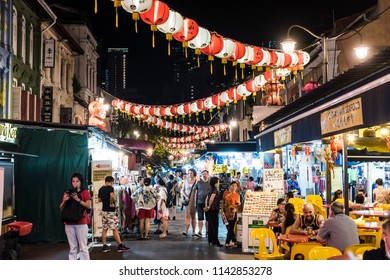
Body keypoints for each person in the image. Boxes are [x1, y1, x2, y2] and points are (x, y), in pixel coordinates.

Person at [60, 172, 91, 260]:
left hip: (81, 222)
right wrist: (65, 200)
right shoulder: (67, 192)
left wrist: (78, 200)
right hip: (68, 222)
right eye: (73, 181)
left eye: (77, 181)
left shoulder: (85, 192)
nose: (75, 183)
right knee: (72, 248)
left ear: (81, 182)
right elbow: (61, 207)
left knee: (83, 247)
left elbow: (88, 206)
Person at [98, 176, 131, 253]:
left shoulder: (101, 189)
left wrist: (105, 200)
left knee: (105, 228)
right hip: (110, 211)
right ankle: (120, 245)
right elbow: (112, 197)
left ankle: (104, 246)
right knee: (115, 229)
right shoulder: (110, 188)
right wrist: (111, 202)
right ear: (111, 181)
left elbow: (99, 199)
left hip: (104, 211)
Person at [204, 176, 222, 247]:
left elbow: (207, 198)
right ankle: (215, 241)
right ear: (215, 183)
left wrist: (206, 206)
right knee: (215, 225)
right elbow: (211, 199)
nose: (219, 183)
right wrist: (209, 206)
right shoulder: (215, 190)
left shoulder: (210, 189)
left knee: (211, 225)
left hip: (210, 210)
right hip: (213, 209)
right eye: (218, 182)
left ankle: (210, 239)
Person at [222, 181, 241, 247]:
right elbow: (223, 202)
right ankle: (234, 240)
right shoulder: (225, 193)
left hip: (233, 214)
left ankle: (227, 242)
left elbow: (238, 205)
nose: (234, 187)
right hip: (225, 213)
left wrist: (235, 209)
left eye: (235, 186)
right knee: (228, 227)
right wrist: (221, 210)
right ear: (230, 186)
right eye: (232, 185)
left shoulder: (237, 195)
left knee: (230, 228)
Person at [181, 168, 198, 237]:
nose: (190, 175)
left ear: (194, 174)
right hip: (188, 201)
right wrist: (186, 196)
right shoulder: (185, 181)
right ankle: (186, 231)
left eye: (191, 173)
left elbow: (198, 192)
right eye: (188, 173)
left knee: (193, 217)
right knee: (187, 216)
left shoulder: (197, 182)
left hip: (194, 201)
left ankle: (194, 231)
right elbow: (182, 190)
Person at [194, 170, 210, 238]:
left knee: (208, 218)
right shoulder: (198, 182)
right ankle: (200, 231)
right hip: (200, 202)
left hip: (208, 203)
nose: (204, 175)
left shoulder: (210, 183)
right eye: (203, 174)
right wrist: (195, 202)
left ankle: (207, 231)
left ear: (208, 175)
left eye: (206, 174)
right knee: (200, 218)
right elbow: (196, 193)